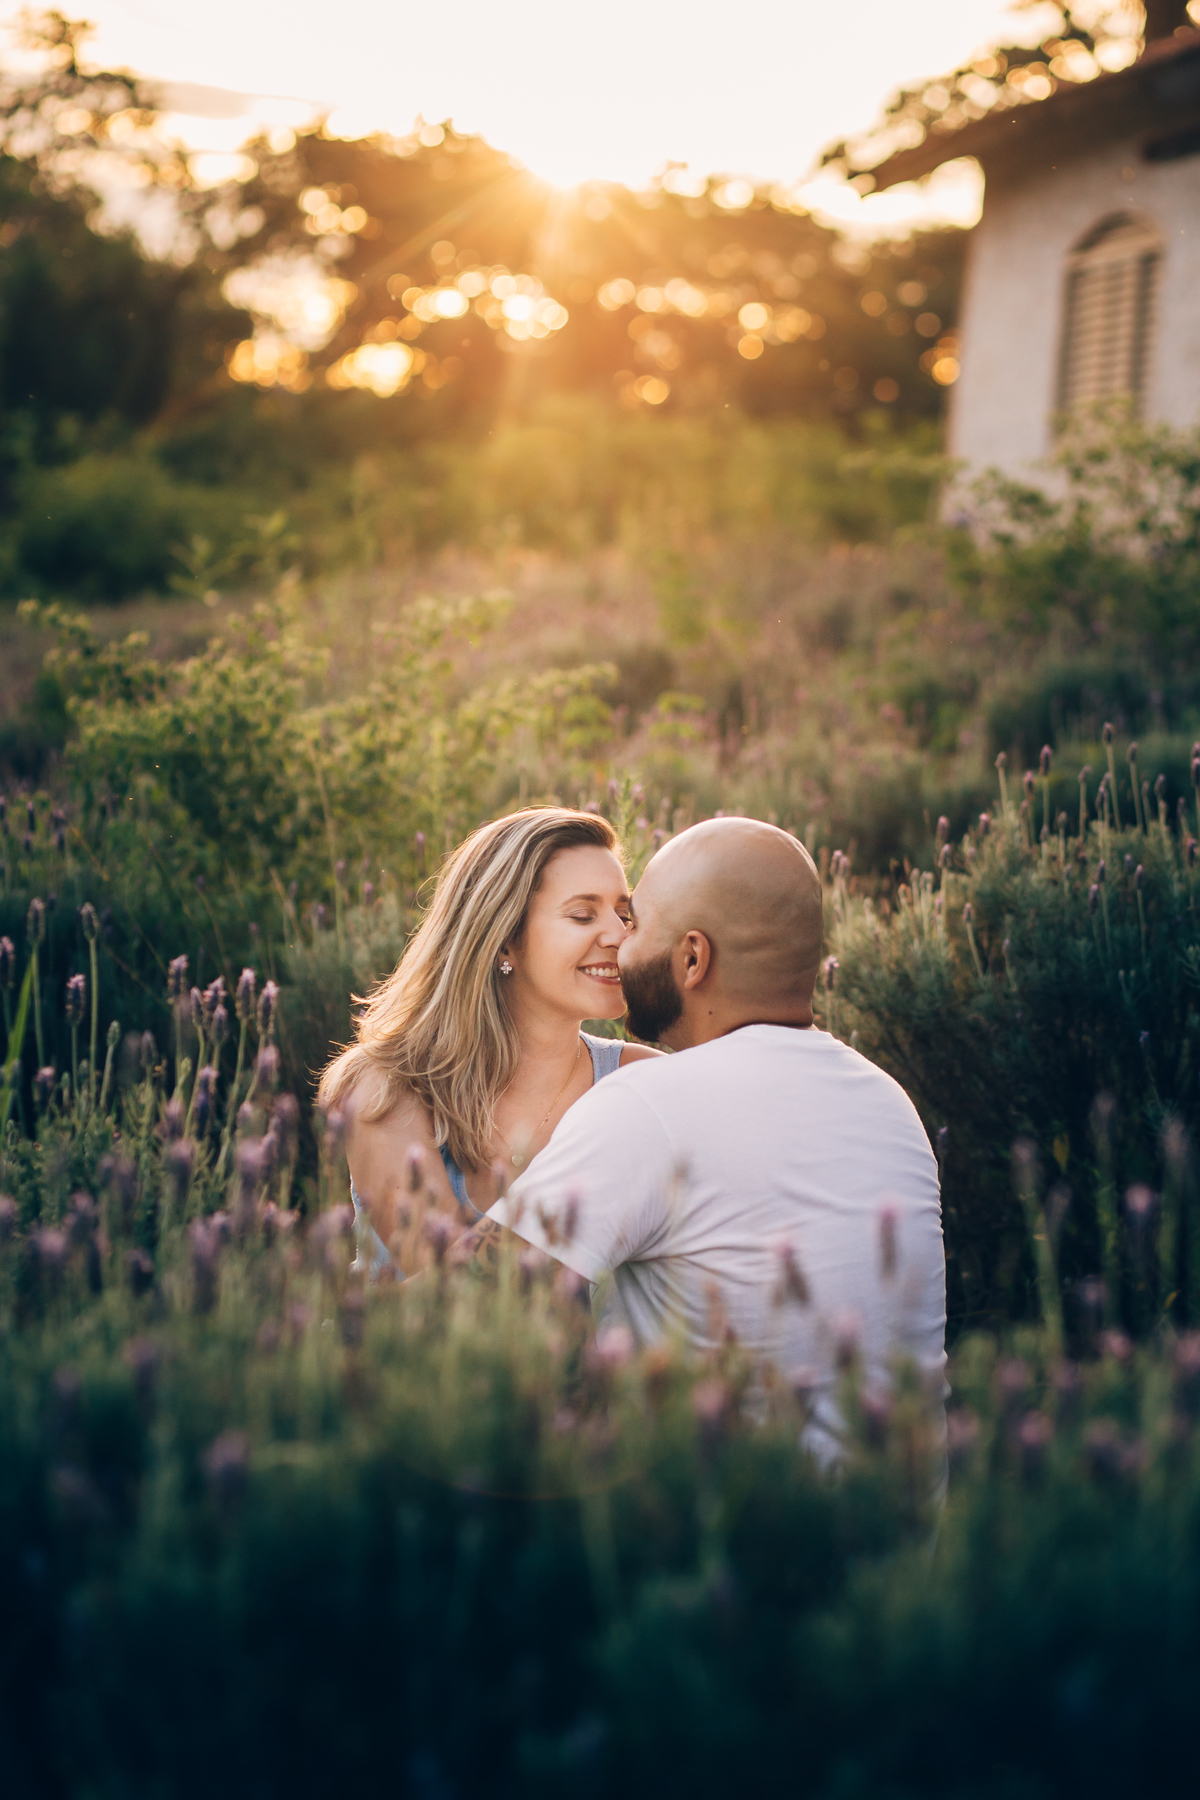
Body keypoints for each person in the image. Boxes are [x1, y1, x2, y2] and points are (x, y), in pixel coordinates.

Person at [471, 816, 947, 1460]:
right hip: (906, 1546)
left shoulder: (647, 1106)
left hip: (710, 1543)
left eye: (636, 923)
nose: (619, 943)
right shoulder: (892, 1105)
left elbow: (467, 1309)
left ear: (692, 958)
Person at [318, 808, 660, 1269]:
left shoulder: (640, 1079)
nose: (620, 936)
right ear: (504, 940)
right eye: (582, 915)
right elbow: (455, 1295)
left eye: (624, 914)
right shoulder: (387, 1088)